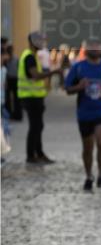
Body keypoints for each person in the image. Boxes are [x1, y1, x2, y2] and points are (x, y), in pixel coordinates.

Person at [64, 37, 101, 191]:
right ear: (86, 49)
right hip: (85, 112)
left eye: (98, 46)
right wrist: (79, 87)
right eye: (92, 46)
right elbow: (67, 89)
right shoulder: (79, 68)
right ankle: (89, 175)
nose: (95, 49)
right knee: (88, 147)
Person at [17, 31, 58, 164]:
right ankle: (31, 156)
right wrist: (53, 72)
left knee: (38, 126)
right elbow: (35, 75)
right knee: (35, 126)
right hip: (30, 98)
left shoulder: (32, 55)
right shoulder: (29, 57)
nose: (42, 43)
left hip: (35, 97)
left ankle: (38, 154)